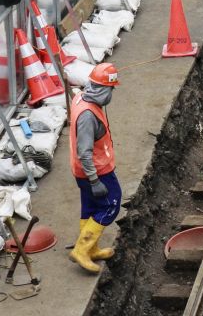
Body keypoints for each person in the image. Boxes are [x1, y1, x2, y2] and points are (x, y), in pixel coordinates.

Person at [69, 63, 122, 274]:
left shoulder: (81, 98)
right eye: (110, 89)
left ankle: (92, 248)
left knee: (90, 206)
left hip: (83, 170)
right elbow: (84, 151)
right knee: (111, 205)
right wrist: (94, 180)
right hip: (96, 170)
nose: (112, 94)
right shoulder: (88, 117)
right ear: (101, 90)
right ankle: (81, 250)